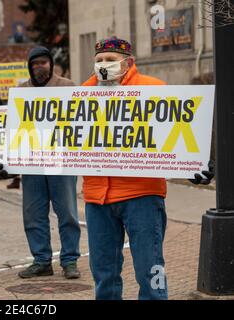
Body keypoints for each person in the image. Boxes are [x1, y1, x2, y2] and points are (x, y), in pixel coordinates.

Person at [81, 37, 215, 300]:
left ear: (128, 62)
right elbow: (60, 138)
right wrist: (20, 159)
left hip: (141, 195)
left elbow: (174, 134)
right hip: (97, 197)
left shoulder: (154, 89)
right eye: (99, 61)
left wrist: (192, 164)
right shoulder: (82, 93)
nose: (103, 65)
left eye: (110, 59)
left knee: (149, 269)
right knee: (103, 273)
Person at [0, 47, 82, 280]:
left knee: (68, 213)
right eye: (34, 64)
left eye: (43, 62)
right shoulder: (21, 91)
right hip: (31, 163)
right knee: (33, 214)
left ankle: (70, 260)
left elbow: (80, 121)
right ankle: (42, 260)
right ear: (29, 67)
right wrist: (7, 161)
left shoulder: (67, 86)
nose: (39, 67)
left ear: (51, 64)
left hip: (61, 162)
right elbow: (12, 128)